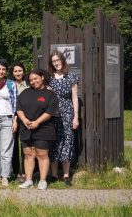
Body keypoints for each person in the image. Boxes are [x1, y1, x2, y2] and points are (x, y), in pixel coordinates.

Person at [16, 69, 59, 190]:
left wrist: (37, 122)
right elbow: (18, 107)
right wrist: (24, 120)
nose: (33, 81)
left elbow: (50, 111)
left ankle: (42, 180)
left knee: (42, 154)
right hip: (26, 128)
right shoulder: (25, 92)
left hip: (43, 129)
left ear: (42, 77)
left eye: (35, 78)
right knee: (28, 154)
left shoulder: (50, 94)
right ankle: (28, 180)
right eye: (31, 80)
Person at [48, 50, 79, 186]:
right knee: (54, 142)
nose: (56, 63)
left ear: (62, 60)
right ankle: (54, 175)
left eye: (58, 60)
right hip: (53, 114)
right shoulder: (49, 78)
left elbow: (74, 98)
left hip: (67, 114)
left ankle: (66, 176)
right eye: (54, 61)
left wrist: (76, 116)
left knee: (67, 142)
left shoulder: (71, 76)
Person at [0, 59, 17, 187]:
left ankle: (5, 176)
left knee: (6, 150)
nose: (1, 71)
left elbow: (15, 105)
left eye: (3, 69)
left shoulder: (11, 84)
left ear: (6, 71)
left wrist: (14, 120)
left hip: (7, 119)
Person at [10, 62, 28, 183]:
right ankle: (16, 172)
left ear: (24, 72)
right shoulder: (9, 85)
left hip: (25, 118)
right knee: (14, 146)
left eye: (20, 70)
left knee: (25, 146)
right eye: (15, 71)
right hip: (12, 118)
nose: (17, 73)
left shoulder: (28, 85)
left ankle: (26, 172)